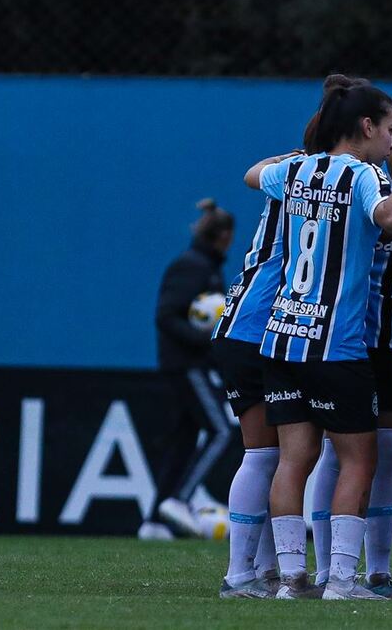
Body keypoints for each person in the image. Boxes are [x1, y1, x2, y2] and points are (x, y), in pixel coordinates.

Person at [243, 78, 392, 600]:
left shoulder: (297, 170)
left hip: (282, 337)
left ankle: (290, 579)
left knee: (294, 459)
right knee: (358, 459)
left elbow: (252, 174)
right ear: (367, 127)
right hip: (335, 343)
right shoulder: (362, 174)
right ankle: (343, 581)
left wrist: (293, 159)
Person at [307, 86, 392, 600]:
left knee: (385, 454)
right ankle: (326, 571)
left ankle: (378, 573)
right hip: (356, 340)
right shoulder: (370, 183)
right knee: (337, 455)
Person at [211, 164, 294, 598]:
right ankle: (239, 574)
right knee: (263, 455)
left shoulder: (295, 170)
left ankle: (263, 571)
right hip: (253, 328)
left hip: (244, 323)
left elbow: (252, 172)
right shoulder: (319, 174)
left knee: (274, 455)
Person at [145, 199, 235, 540]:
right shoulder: (192, 267)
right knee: (221, 431)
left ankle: (153, 522)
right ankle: (179, 500)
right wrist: (207, 342)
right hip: (188, 366)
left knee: (182, 442)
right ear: (224, 235)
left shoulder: (206, 266)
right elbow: (166, 316)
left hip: (189, 364)